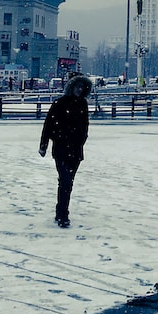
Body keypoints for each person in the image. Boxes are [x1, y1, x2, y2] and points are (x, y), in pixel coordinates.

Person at [39, 74, 91, 228]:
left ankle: (61, 211)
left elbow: (85, 125)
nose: (79, 90)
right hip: (61, 148)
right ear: (71, 87)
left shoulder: (83, 104)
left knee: (68, 182)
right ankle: (63, 214)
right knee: (65, 180)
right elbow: (48, 125)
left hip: (76, 149)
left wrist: (82, 139)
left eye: (82, 87)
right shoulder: (60, 103)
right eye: (77, 87)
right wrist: (44, 144)